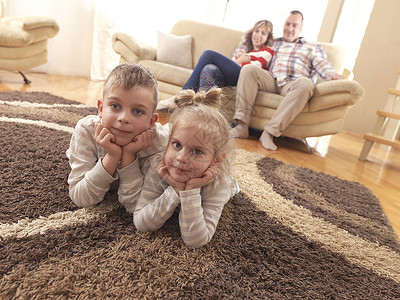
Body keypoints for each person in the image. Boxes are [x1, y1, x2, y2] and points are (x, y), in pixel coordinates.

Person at [134, 87, 239, 248]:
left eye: (197, 151)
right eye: (176, 145)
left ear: (216, 160)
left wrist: (190, 190)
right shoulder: (159, 164)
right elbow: (141, 223)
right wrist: (175, 190)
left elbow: (195, 241)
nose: (181, 158)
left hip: (223, 184)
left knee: (232, 188)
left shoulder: (219, 183)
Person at [230, 10, 344, 150]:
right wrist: (239, 54)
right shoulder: (274, 43)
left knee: (306, 84)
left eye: (294, 25)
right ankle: (241, 125)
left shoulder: (312, 47)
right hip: (271, 80)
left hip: (293, 84)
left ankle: (269, 133)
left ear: (300, 28)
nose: (290, 28)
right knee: (248, 69)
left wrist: (332, 75)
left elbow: (323, 65)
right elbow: (252, 49)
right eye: (287, 24)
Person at [66, 63, 169, 212]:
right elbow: (81, 198)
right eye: (115, 106)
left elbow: (137, 206)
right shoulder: (86, 131)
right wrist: (112, 157)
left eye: (138, 111)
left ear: (152, 122)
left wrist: (128, 155)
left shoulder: (160, 144)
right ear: (101, 109)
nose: (124, 118)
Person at [156, 19, 274, 110]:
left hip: (245, 79)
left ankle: (181, 97)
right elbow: (233, 64)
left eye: (263, 33)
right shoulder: (243, 49)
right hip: (233, 77)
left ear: (268, 38)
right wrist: (240, 60)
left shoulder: (267, 51)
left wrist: (239, 61)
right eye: (257, 31)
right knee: (209, 69)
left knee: (209, 54)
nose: (258, 35)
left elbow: (252, 69)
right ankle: (205, 110)